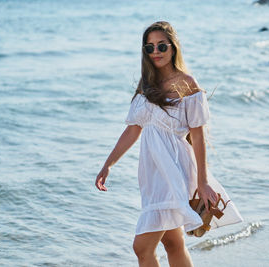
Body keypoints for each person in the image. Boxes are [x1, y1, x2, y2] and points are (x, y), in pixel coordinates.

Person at [95, 21, 242, 267]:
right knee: (173, 243)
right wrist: (108, 164)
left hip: (175, 172)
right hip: (152, 176)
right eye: (149, 47)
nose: (156, 52)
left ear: (173, 48)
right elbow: (133, 129)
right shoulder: (146, 84)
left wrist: (203, 182)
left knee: (142, 248)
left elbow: (198, 136)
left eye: (161, 46)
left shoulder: (188, 84)